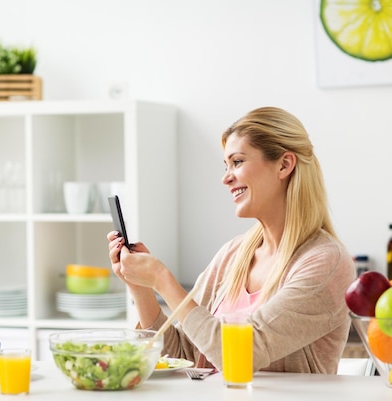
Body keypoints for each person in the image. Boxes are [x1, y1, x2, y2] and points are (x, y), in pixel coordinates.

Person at [107, 106, 354, 374]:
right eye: (226, 165)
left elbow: (243, 354)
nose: (226, 178)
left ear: (284, 165)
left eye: (237, 162)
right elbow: (182, 356)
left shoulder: (325, 262)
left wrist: (162, 280)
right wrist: (141, 287)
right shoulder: (235, 254)